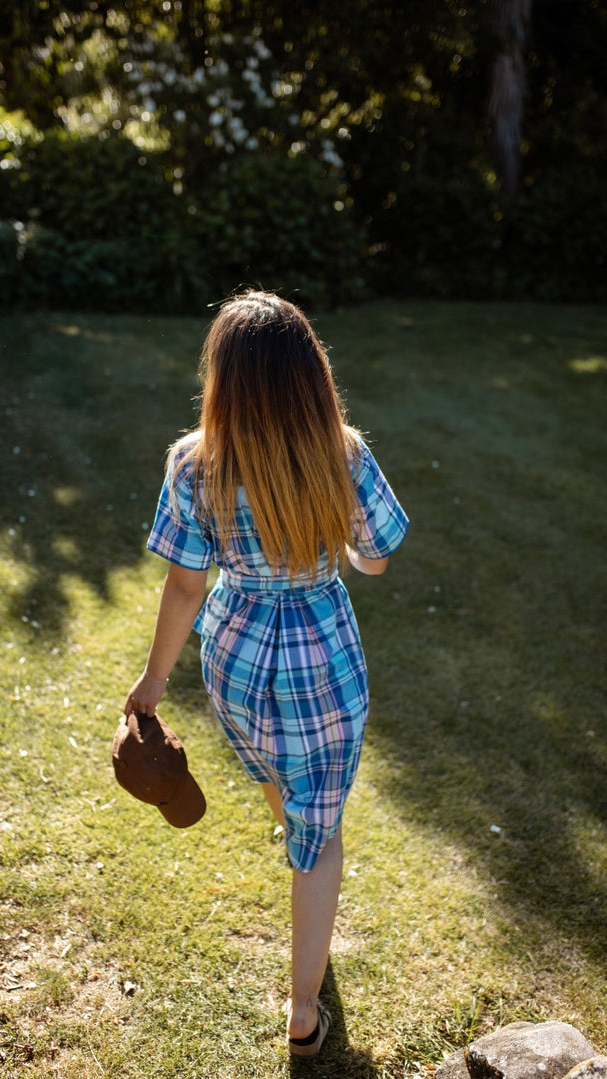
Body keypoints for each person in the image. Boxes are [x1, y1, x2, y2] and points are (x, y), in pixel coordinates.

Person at [124, 290, 408, 1058]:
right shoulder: (341, 451)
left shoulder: (195, 461)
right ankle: (304, 1010)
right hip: (321, 649)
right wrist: (341, 546)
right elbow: (375, 560)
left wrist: (152, 684)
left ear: (223, 376)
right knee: (323, 833)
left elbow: (185, 585)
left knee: (276, 772)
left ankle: (291, 828)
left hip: (236, 652)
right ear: (311, 371)